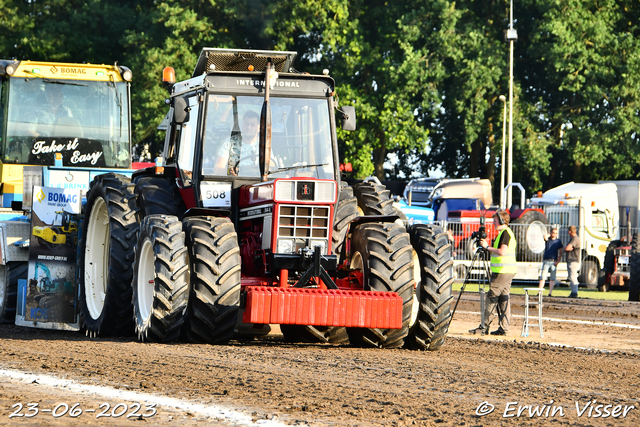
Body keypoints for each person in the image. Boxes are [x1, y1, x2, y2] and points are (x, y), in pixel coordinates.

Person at [469, 210, 517, 336]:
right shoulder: (506, 233)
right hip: (507, 271)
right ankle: (503, 328)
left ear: (502, 221)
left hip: (502, 272)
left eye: (495, 221)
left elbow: (502, 252)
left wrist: (486, 247)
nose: (493, 223)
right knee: (503, 300)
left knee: (491, 298)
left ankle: (484, 327)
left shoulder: (505, 233)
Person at [214, 110, 281, 176]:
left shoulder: (264, 145)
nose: (249, 127)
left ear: (259, 128)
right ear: (242, 125)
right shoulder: (230, 142)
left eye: (252, 125)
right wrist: (229, 172)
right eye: (246, 124)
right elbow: (218, 169)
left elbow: (272, 168)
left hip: (257, 182)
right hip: (234, 183)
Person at [538, 227, 563, 296]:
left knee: (552, 278)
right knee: (543, 277)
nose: (554, 234)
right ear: (551, 233)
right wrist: (550, 234)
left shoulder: (558, 241)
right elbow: (544, 236)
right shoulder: (548, 240)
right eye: (553, 233)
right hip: (546, 260)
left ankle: (550, 293)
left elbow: (560, 252)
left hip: (553, 261)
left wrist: (558, 261)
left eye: (556, 233)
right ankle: (539, 292)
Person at [564, 225, 581, 298]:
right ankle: (573, 292)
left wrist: (566, 248)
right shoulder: (573, 239)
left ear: (570, 231)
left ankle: (574, 292)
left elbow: (567, 248)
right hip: (571, 260)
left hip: (573, 261)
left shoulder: (575, 239)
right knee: (571, 277)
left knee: (573, 277)